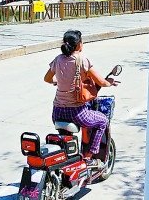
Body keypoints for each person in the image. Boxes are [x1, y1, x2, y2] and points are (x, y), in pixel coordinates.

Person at [44, 29, 118, 168]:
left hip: (57, 112)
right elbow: (101, 82)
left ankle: (68, 156)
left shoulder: (58, 59)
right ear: (79, 44)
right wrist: (110, 82)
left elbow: (47, 79)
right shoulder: (82, 60)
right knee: (102, 121)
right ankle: (89, 157)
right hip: (76, 112)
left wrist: (58, 82)